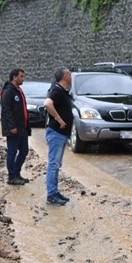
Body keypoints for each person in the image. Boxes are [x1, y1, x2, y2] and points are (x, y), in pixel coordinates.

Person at [42, 68, 74, 206]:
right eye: (69, 74)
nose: (71, 76)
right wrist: (59, 119)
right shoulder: (57, 90)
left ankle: (55, 192)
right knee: (53, 164)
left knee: (56, 164)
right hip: (56, 133)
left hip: (61, 134)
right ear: (65, 76)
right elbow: (47, 104)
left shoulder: (63, 91)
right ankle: (51, 195)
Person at [0, 68, 31, 185]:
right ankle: (11, 176)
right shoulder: (8, 92)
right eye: (21, 76)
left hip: (23, 128)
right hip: (13, 128)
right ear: (14, 77)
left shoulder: (19, 90)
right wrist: (11, 126)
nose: (23, 79)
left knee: (24, 150)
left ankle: (17, 173)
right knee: (12, 151)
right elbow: (6, 110)